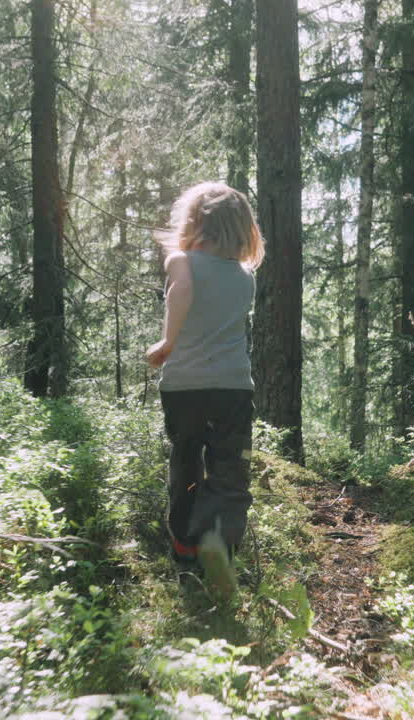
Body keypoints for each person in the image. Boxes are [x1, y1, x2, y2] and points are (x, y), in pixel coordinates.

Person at [145, 181, 265, 603]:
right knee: (229, 469)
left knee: (186, 462)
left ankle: (186, 552)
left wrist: (167, 343)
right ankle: (220, 542)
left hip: (183, 388)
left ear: (194, 223)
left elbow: (183, 294)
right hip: (231, 388)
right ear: (242, 229)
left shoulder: (181, 261)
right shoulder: (245, 277)